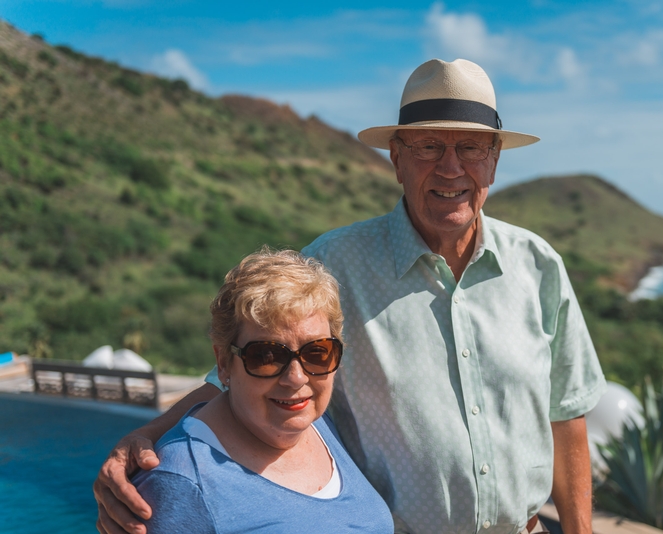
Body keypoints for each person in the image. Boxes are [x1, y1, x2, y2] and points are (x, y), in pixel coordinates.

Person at [95, 59, 606, 534]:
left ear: (493, 161)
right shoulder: (334, 265)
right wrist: (145, 437)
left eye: (471, 148)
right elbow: (241, 376)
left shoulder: (539, 266)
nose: (451, 168)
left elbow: (568, 415)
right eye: (428, 146)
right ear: (397, 159)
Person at [130, 248, 393, 533]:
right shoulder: (181, 484)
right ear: (223, 363)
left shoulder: (318, 426)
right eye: (267, 357)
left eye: (317, 352)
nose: (296, 378)